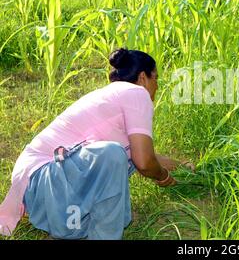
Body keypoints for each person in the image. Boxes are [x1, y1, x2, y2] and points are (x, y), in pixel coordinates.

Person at [0, 48, 192, 239]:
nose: (157, 86)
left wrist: (181, 166)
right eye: (155, 78)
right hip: (47, 183)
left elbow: (145, 155)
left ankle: (84, 229)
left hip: (43, 196)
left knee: (120, 200)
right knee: (112, 155)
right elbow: (143, 161)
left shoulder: (112, 97)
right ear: (143, 77)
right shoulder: (136, 93)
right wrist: (163, 176)